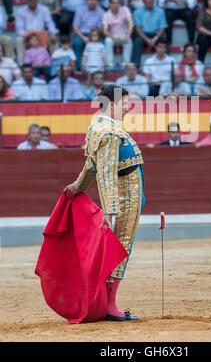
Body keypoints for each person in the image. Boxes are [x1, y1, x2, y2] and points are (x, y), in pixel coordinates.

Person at [64, 84, 145, 321]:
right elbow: (106, 172)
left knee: (119, 247)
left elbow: (92, 165)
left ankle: (108, 304)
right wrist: (110, 210)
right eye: (124, 103)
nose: (128, 108)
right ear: (111, 104)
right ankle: (110, 306)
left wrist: (77, 186)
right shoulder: (107, 131)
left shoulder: (103, 127)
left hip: (126, 195)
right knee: (121, 247)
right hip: (124, 197)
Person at [15, 0, 58, 65]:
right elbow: (19, 29)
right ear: (26, 0)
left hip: (42, 36)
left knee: (54, 38)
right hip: (27, 37)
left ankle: (54, 65)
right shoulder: (21, 11)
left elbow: (50, 23)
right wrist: (28, 36)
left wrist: (53, 33)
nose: (33, 1)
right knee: (19, 40)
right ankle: (22, 65)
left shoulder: (44, 9)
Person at [132, 0, 167, 68]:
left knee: (164, 41)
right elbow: (138, 30)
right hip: (143, 35)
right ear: (143, 1)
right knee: (137, 41)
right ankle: (136, 66)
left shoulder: (160, 11)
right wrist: (148, 40)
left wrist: (155, 39)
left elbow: (162, 28)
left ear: (153, 0)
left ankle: (166, 64)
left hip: (156, 35)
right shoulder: (137, 12)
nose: (149, 1)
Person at [72, 0, 104, 70]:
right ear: (86, 0)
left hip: (95, 35)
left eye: (94, 0)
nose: (92, 2)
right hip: (82, 34)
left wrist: (94, 37)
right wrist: (83, 38)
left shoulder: (101, 11)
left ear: (97, 1)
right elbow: (75, 27)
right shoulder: (79, 10)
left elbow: (101, 28)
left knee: (102, 44)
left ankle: (99, 67)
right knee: (77, 42)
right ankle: (79, 66)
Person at [102, 0, 134, 70]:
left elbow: (131, 23)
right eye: (114, 3)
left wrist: (128, 35)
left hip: (124, 35)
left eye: (118, 3)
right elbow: (105, 31)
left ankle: (126, 65)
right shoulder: (106, 14)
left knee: (129, 41)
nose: (116, 5)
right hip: (112, 36)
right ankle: (110, 66)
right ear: (109, 4)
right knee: (108, 41)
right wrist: (113, 37)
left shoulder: (125, 9)